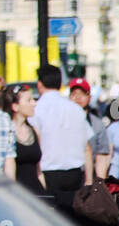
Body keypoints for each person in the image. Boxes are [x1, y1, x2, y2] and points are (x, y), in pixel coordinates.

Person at [34, 64, 94, 204]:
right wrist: (89, 180)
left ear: (39, 84)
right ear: (61, 84)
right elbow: (87, 148)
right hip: (75, 175)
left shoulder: (37, 110)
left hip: (47, 173)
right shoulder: (76, 109)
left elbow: (36, 142)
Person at [0, 82, 45, 193]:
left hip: (37, 195)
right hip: (18, 195)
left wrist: (45, 193)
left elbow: (39, 171)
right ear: (15, 106)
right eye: (29, 100)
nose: (34, 103)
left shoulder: (34, 131)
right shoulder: (6, 132)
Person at [69, 78, 111, 181]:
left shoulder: (97, 124)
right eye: (74, 94)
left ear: (89, 97)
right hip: (67, 175)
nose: (78, 97)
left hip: (88, 177)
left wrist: (99, 184)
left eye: (82, 93)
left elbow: (101, 155)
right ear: (70, 97)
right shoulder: (63, 121)